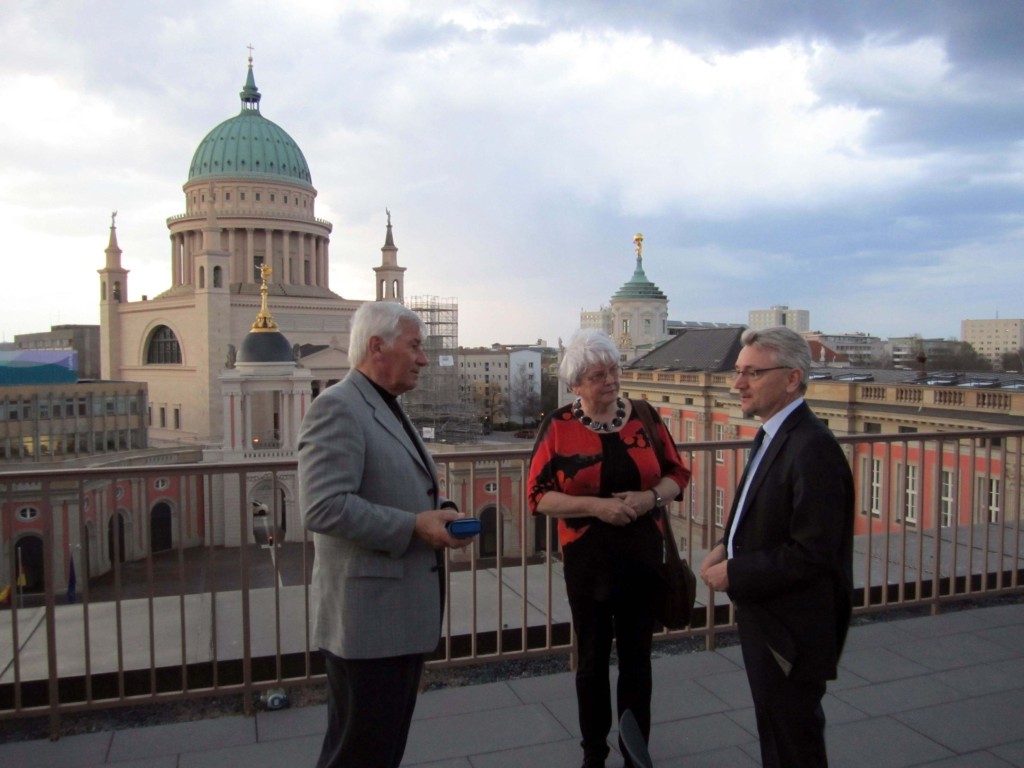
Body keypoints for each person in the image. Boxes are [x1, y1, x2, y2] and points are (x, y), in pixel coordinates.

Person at [299, 301, 472, 768]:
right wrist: (414, 526)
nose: (423, 358)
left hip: (393, 619)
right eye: (415, 346)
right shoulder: (337, 407)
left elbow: (391, 487)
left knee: (379, 749)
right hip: (366, 624)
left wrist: (439, 512)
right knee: (359, 752)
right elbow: (323, 506)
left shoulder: (382, 405)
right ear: (377, 347)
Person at [527, 329, 691, 768]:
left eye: (614, 370)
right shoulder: (558, 427)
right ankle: (593, 753)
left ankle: (636, 752)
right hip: (588, 561)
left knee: (638, 659)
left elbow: (678, 473)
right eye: (598, 374)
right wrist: (596, 507)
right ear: (575, 384)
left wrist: (649, 498)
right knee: (593, 660)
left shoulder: (644, 415)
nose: (610, 379)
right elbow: (538, 496)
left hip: (642, 556)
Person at [700, 326, 854, 768]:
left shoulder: (812, 448)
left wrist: (735, 572)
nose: (738, 384)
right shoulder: (773, 434)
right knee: (777, 730)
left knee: (793, 741)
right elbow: (759, 510)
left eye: (752, 373)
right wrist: (724, 545)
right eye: (738, 371)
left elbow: (813, 552)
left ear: (791, 378)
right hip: (768, 615)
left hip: (793, 629)